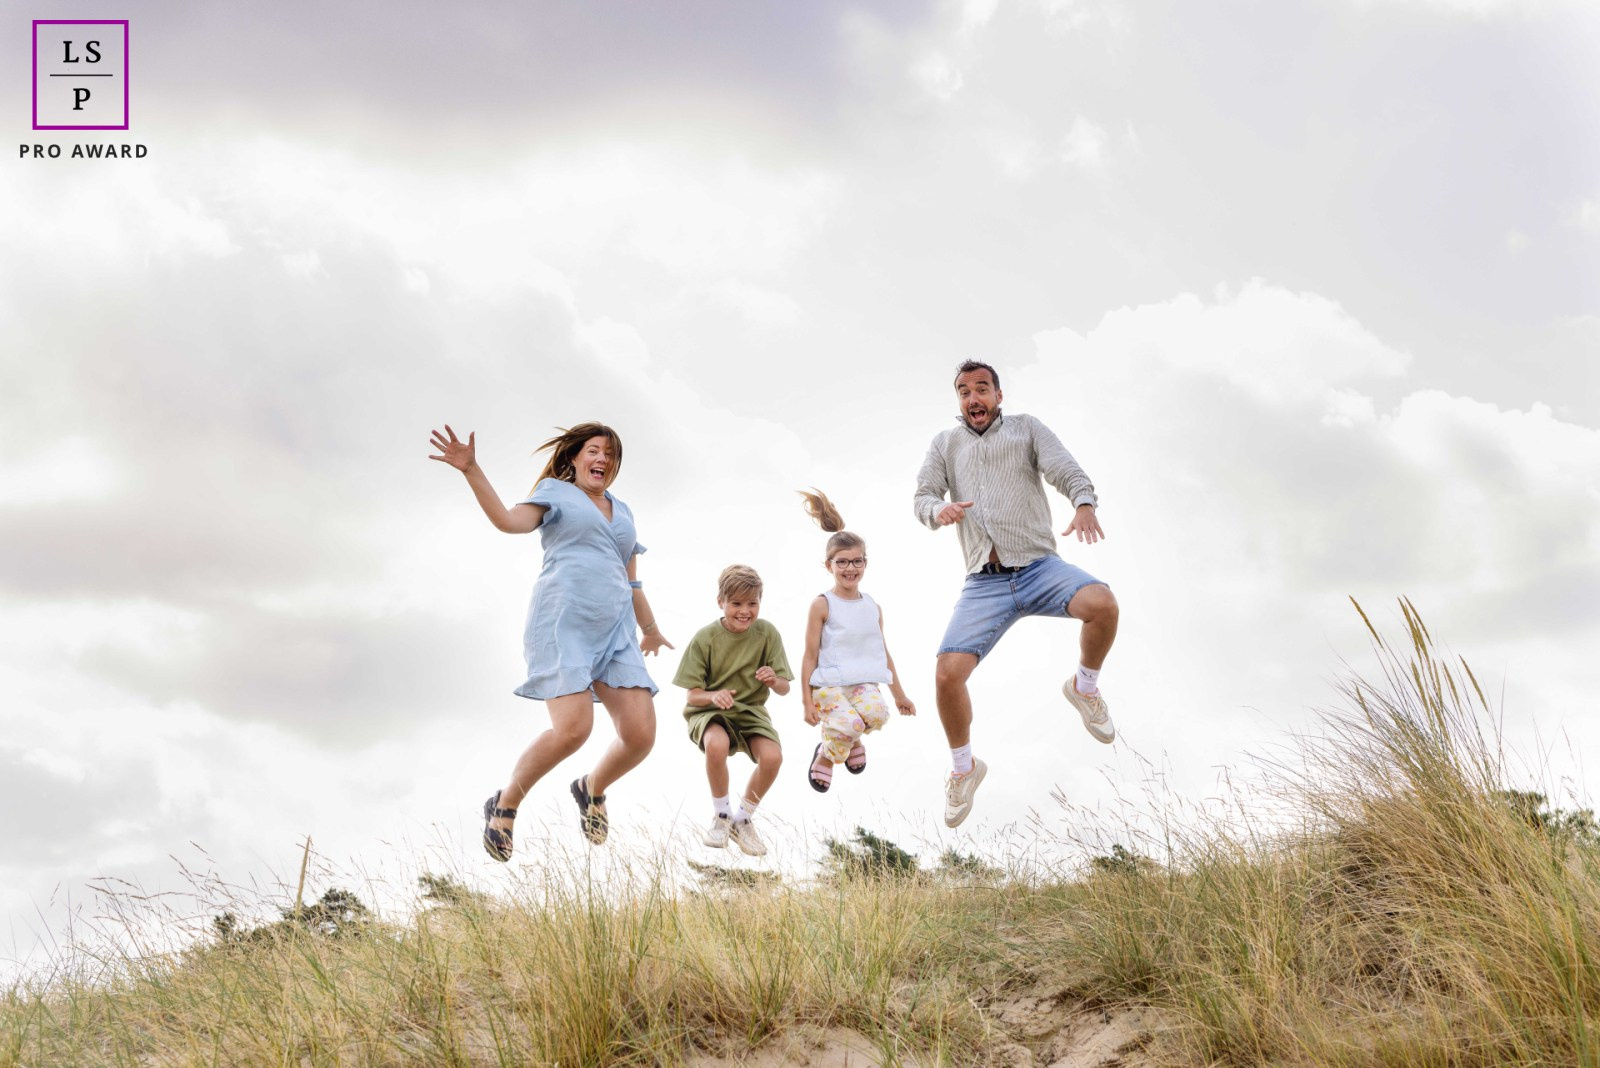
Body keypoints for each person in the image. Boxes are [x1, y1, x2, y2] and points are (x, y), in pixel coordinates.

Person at [428, 421, 673, 859]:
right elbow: (507, 521)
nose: (602, 459)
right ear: (575, 456)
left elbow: (631, 581)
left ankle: (591, 788)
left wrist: (651, 629)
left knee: (640, 736)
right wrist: (471, 470)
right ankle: (505, 804)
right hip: (564, 623)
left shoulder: (624, 511)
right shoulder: (555, 492)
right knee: (574, 730)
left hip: (616, 631)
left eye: (610, 454)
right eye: (594, 451)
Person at [913, 361, 1120, 829]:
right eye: (964, 392)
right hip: (984, 583)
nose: (973, 399)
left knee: (1103, 604)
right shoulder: (945, 444)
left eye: (981, 389)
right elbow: (922, 496)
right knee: (947, 675)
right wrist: (938, 509)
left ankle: (1084, 688)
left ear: (999, 396)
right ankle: (964, 769)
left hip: (1039, 567)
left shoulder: (1026, 429)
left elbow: (1063, 468)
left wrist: (1083, 502)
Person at [797, 489, 916, 794]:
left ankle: (849, 735)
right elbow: (809, 655)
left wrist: (899, 694)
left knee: (877, 715)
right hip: (828, 685)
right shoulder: (822, 604)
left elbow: (882, 652)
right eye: (842, 562)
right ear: (829, 566)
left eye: (856, 562)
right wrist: (806, 701)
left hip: (862, 682)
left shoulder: (872, 607)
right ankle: (826, 755)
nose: (850, 568)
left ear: (866, 563)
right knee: (851, 724)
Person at [673, 565, 792, 857]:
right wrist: (715, 696)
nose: (745, 611)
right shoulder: (706, 638)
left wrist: (772, 679)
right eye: (736, 603)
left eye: (752, 603)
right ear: (721, 602)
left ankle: (743, 819)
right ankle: (722, 816)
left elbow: (784, 687)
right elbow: (693, 695)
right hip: (710, 711)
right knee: (717, 744)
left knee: (773, 757)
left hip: (750, 712)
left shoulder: (767, 633)